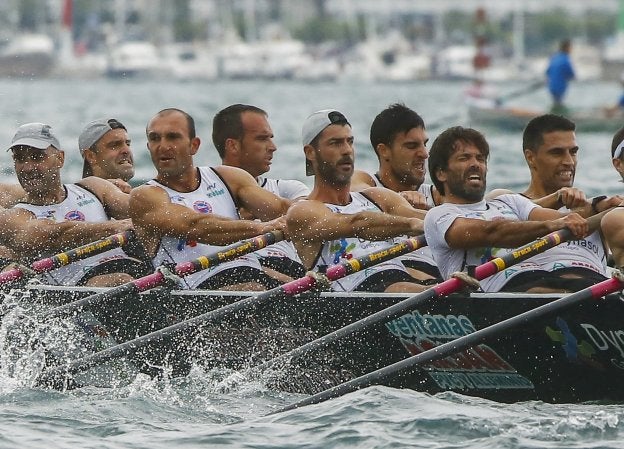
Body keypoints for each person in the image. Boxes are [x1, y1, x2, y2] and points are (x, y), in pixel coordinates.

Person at [129, 108, 289, 291]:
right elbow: (195, 226)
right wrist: (263, 228)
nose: (163, 146)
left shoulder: (228, 177)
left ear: (194, 145)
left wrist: (310, 215)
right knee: (253, 288)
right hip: (198, 290)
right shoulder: (145, 196)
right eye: (155, 138)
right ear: (148, 146)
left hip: (251, 275)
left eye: (173, 137)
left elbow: (280, 208)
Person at [424, 125, 592, 293]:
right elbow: (492, 232)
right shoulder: (439, 215)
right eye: (464, 158)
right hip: (494, 291)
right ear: (441, 173)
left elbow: (557, 218)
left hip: (542, 274)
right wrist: (553, 226)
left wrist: (606, 208)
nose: (475, 164)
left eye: (480, 158)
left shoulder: (508, 201)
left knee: (593, 287)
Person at [286, 108, 430, 293]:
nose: (347, 150)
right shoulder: (303, 211)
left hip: (402, 285)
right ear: (310, 153)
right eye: (335, 143)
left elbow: (425, 217)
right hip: (355, 298)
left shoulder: (377, 197)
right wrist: (413, 225)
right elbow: (357, 223)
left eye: (350, 142)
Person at [3, 122, 146, 287]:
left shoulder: (93, 187)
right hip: (81, 289)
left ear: (60, 159)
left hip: (131, 270)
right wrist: (115, 227)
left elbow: (142, 210)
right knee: (120, 280)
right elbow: (53, 235)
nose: (27, 168)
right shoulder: (16, 216)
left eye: (37, 157)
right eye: (20, 159)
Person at [506, 114, 621, 290]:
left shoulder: (604, 211)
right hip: (532, 290)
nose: (569, 162)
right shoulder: (505, 200)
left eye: (573, 152)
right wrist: (559, 197)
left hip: (591, 287)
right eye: (557, 153)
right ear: (530, 157)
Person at [212, 103, 309, 281]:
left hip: (287, 270)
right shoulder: (205, 195)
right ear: (232, 146)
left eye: (271, 138)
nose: (273, 147)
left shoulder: (288, 189)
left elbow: (310, 218)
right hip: (235, 274)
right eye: (262, 139)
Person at [350, 103, 441, 284]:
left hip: (435, 280)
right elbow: (354, 189)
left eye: (425, 144)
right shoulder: (363, 181)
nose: (424, 154)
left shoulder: (438, 195)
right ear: (384, 151)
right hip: (385, 278)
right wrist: (401, 202)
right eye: (411, 146)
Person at [78, 118, 135, 193]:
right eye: (115, 145)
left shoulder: (140, 195)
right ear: (91, 156)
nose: (126, 150)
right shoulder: (79, 201)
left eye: (128, 144)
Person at [546, 39, 575, 114]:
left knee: (556, 102)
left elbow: (547, 72)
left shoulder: (555, 57)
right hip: (559, 86)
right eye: (570, 47)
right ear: (566, 48)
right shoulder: (565, 59)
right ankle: (557, 118)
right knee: (558, 103)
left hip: (551, 86)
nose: (571, 50)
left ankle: (554, 115)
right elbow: (571, 74)